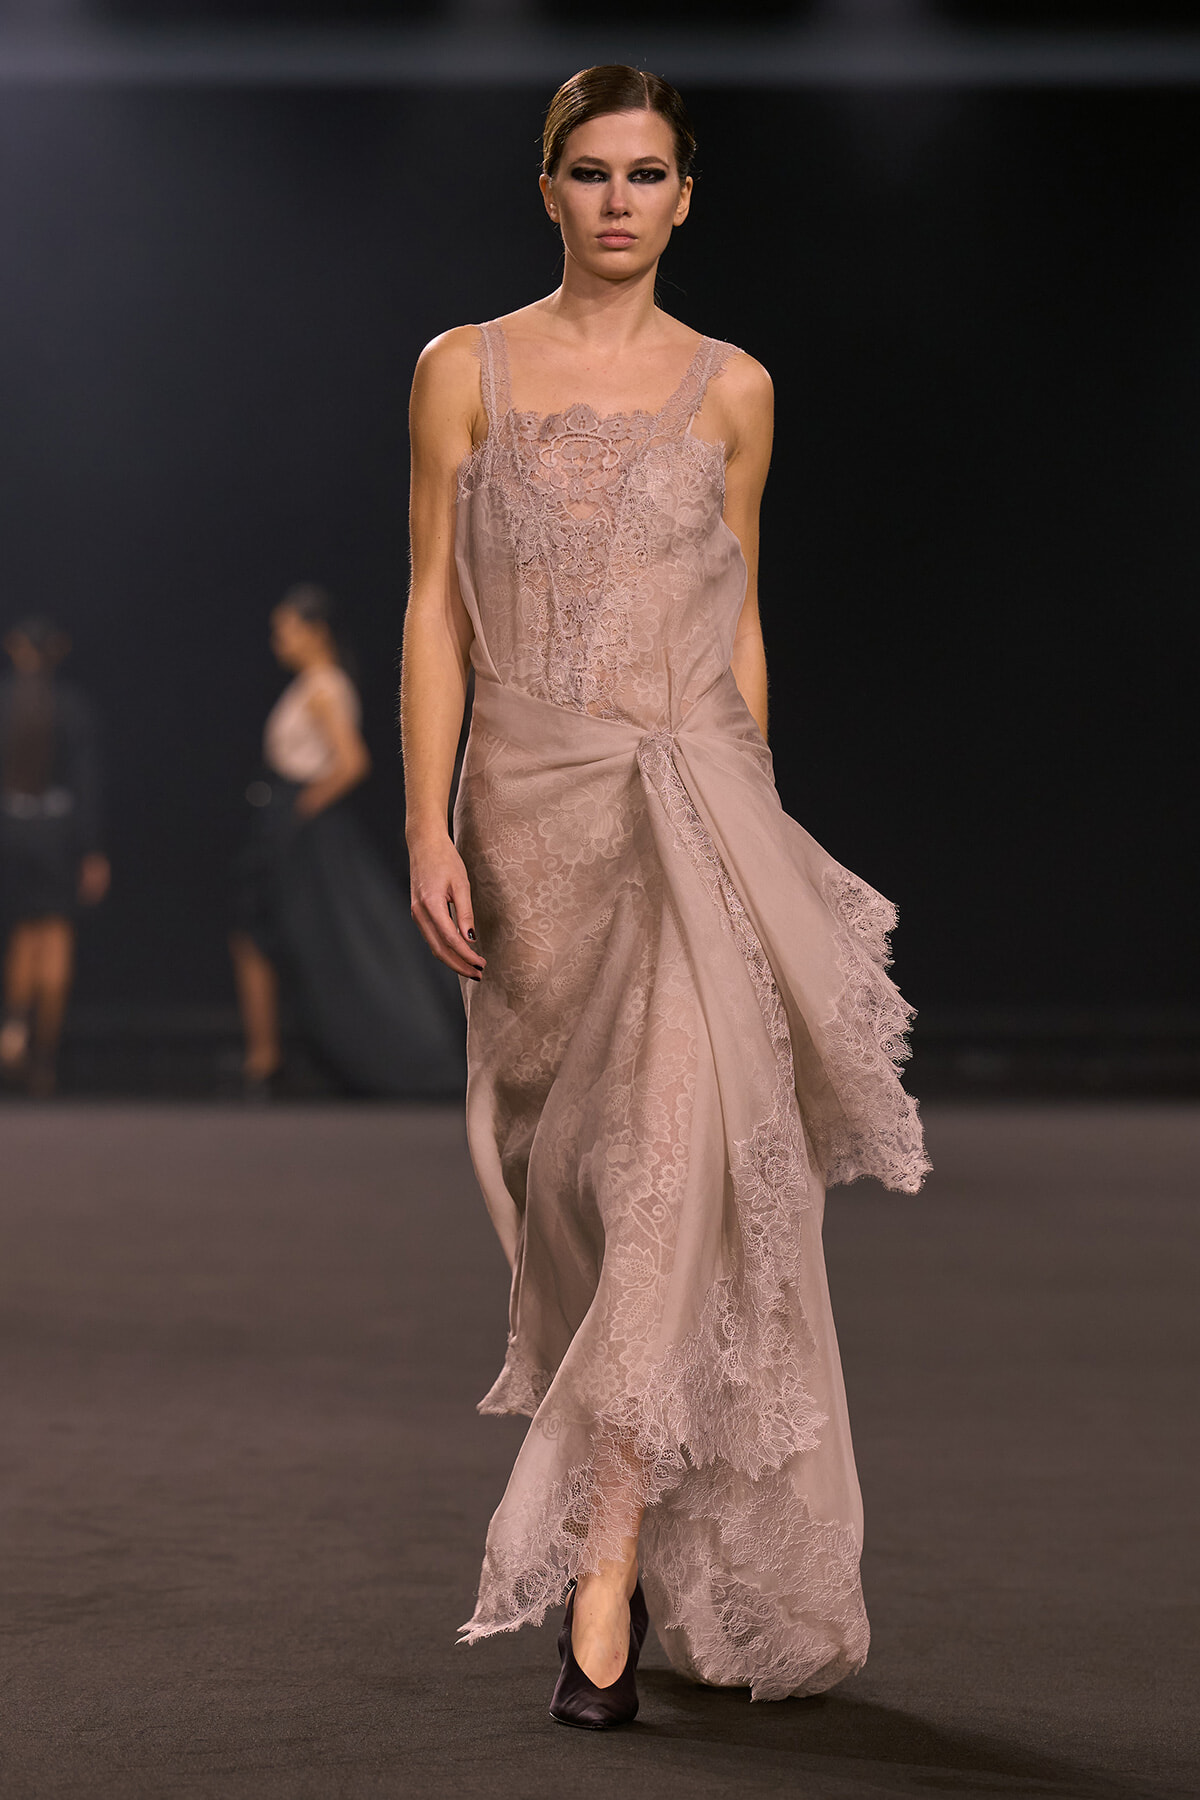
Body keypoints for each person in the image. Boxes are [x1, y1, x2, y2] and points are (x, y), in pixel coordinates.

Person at [401, 65, 929, 1729]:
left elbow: (735, 609)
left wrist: (749, 819)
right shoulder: (463, 369)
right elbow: (430, 608)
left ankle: (604, 1580)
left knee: (663, 1175)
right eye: (591, 171)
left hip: (693, 812)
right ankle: (631, 1521)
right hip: (528, 815)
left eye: (647, 174)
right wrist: (424, 822)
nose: (619, 200)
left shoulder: (735, 388)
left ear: (686, 196)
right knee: (565, 1197)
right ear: (547, 188)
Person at [230, 582, 464, 1099]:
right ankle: (268, 1056)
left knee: (315, 936)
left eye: (286, 628)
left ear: (315, 631)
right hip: (292, 820)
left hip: (303, 824)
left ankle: (269, 1058)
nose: (278, 639)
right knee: (282, 932)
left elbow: (353, 761)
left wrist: (300, 807)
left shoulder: (323, 687)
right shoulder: (315, 684)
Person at [0, 616, 109, 1098]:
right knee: (55, 938)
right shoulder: (72, 706)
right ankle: (44, 1053)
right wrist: (92, 848)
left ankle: (14, 1028)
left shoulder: (6, 701)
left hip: (12, 827)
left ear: (14, 648)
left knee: (24, 938)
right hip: (56, 832)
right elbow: (87, 783)